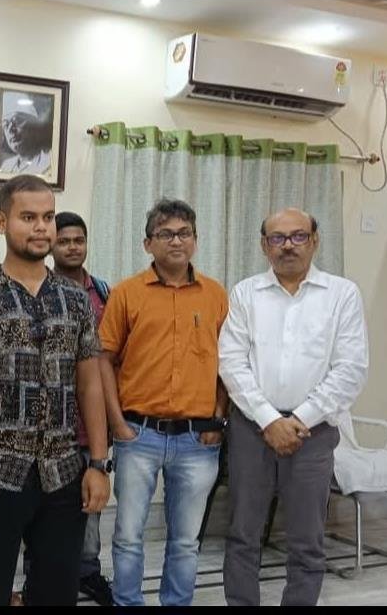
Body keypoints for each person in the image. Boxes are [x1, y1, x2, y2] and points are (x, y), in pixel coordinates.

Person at [0, 174, 110, 606]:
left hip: (63, 471)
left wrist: (98, 463)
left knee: (57, 593)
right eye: (28, 217)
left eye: (48, 217)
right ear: (2, 222)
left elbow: (90, 384)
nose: (41, 227)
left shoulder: (75, 299)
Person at [219, 208, 369, 607]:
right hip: (252, 428)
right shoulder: (246, 293)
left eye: (298, 236)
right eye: (278, 238)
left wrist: (300, 418)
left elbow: (350, 369)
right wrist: (269, 420)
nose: (288, 245)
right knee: (243, 534)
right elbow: (231, 363)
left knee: (306, 540)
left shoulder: (342, 294)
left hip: (313, 433)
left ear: (315, 241)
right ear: (264, 245)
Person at [99, 199, 228, 607]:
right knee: (128, 535)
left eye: (184, 233)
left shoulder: (215, 295)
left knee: (186, 541)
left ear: (195, 240)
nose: (176, 241)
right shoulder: (126, 293)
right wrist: (117, 423)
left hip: (198, 439)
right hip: (138, 434)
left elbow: (230, 363)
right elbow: (104, 359)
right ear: (148, 243)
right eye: (166, 233)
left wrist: (218, 419)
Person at [16, 211, 113, 606]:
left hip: (90, 426)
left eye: (79, 240)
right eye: (65, 240)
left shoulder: (102, 292)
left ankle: (86, 573)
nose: (72, 247)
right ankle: (35, 581)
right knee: (40, 515)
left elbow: (105, 364)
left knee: (89, 510)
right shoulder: (31, 291)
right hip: (46, 431)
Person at [0, 91, 52, 176]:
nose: (10, 130)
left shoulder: (50, 162)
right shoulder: (6, 166)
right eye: (6, 124)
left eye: (16, 121)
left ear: (33, 126)